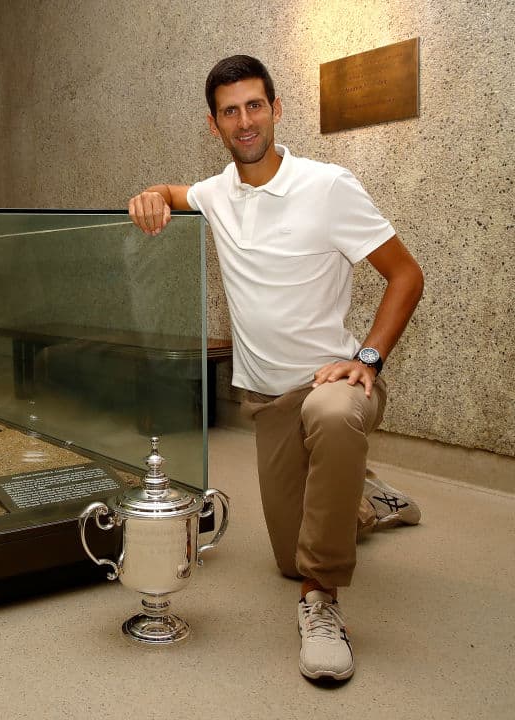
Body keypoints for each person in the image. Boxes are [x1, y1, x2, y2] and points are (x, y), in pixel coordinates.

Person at [128, 55, 424, 682]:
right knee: (289, 557)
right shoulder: (216, 194)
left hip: (332, 388)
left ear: (276, 109)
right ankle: (368, 499)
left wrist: (366, 358)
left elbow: (407, 274)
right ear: (214, 124)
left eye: (255, 105)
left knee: (333, 423)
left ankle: (320, 606)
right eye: (230, 111)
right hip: (267, 402)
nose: (245, 121)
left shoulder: (328, 185)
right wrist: (152, 197)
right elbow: (175, 193)